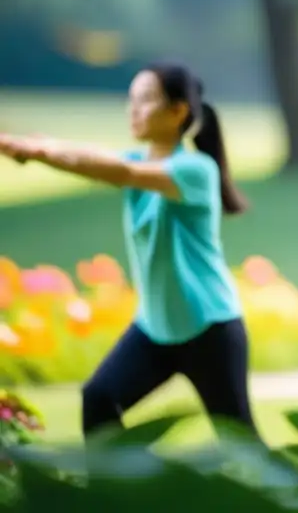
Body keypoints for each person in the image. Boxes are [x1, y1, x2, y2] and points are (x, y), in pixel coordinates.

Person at [0, 63, 258, 440]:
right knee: (99, 399)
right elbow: (96, 156)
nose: (133, 110)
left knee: (242, 443)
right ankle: (117, 495)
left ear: (178, 112)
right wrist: (42, 146)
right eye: (131, 100)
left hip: (209, 329)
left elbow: (117, 171)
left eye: (146, 100)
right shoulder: (136, 161)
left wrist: (40, 153)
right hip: (154, 328)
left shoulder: (195, 170)